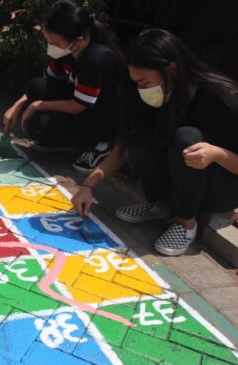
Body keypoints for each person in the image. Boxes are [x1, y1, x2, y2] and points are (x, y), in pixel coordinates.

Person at [72, 29, 238, 256]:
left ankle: (185, 223)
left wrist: (216, 154)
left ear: (171, 69)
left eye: (144, 82)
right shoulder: (160, 96)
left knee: (186, 138)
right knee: (141, 136)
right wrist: (88, 186)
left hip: (222, 187)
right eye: (136, 83)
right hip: (184, 177)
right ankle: (160, 204)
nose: (141, 89)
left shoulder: (223, 99)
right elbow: (125, 146)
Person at [3, 0, 125, 173]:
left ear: (78, 41)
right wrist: (17, 105)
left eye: (54, 42)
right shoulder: (66, 50)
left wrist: (38, 105)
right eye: (49, 41)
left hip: (100, 117)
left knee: (38, 125)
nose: (51, 46)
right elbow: (46, 80)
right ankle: (58, 138)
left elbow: (77, 107)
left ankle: (101, 145)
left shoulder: (95, 59)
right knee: (36, 87)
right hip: (79, 103)